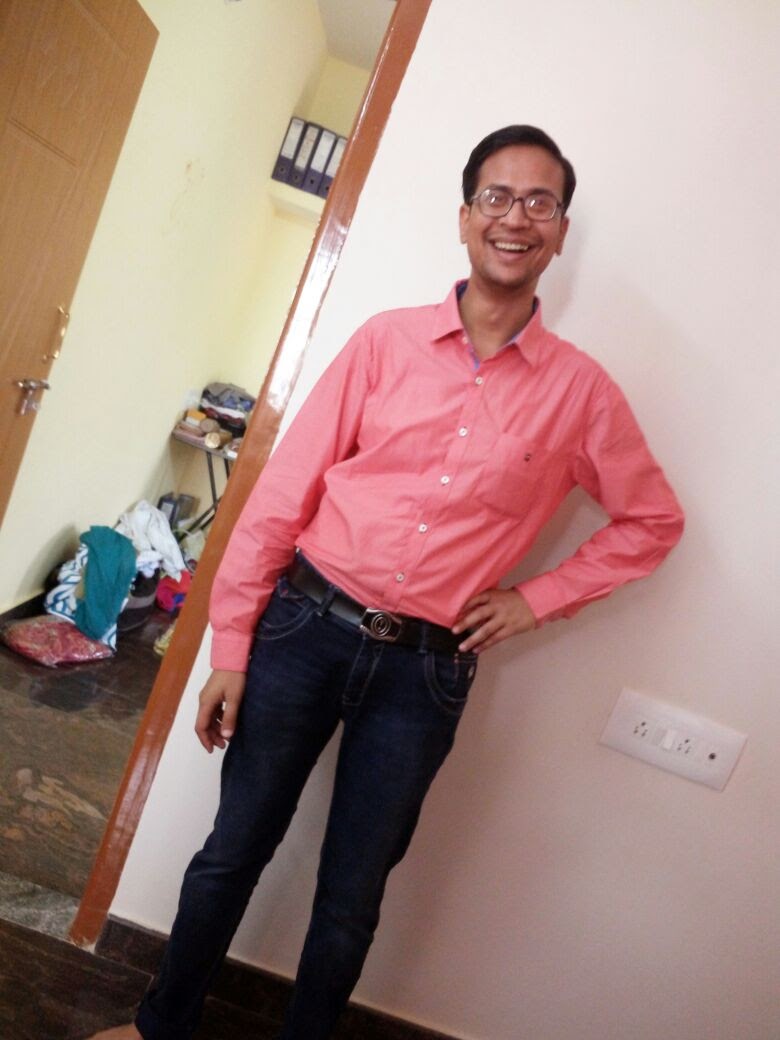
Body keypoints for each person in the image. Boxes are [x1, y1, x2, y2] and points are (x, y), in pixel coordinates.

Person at [91, 125, 684, 1040]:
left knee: (352, 897)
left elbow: (652, 522)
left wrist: (535, 599)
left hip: (424, 672)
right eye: (496, 196)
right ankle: (158, 1026)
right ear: (465, 217)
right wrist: (232, 645)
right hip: (302, 631)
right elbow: (282, 499)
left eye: (540, 202)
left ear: (561, 232)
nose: (516, 217)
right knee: (231, 851)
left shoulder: (584, 395)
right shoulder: (384, 343)